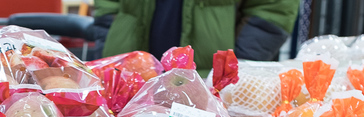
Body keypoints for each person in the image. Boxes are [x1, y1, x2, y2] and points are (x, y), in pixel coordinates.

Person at [93, 0, 300, 70]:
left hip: (208, 80)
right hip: (128, 74)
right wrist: (108, 33)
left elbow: (273, 8)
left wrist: (237, 64)